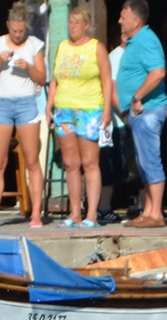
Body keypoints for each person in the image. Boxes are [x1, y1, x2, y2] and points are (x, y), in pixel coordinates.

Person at [0, 2, 47, 229]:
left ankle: (36, 213)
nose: (18, 35)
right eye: (14, 31)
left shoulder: (35, 45)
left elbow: (41, 78)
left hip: (26, 103)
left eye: (21, 31)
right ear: (8, 25)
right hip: (1, 103)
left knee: (32, 161)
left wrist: (29, 67)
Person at [47, 7, 112, 229]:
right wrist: (49, 105)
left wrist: (106, 111)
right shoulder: (62, 47)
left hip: (89, 109)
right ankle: (74, 213)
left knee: (89, 162)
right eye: (70, 22)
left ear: (86, 25)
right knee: (70, 163)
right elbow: (55, 79)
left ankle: (91, 214)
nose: (72, 26)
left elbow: (106, 80)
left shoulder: (96, 48)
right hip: (64, 109)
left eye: (76, 23)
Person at [115, 0, 167, 229]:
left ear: (136, 20)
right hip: (139, 113)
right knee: (144, 163)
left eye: (123, 16)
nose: (119, 21)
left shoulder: (147, 40)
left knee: (151, 161)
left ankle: (156, 213)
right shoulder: (136, 41)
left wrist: (137, 97)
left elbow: (158, 73)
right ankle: (148, 211)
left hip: (148, 110)